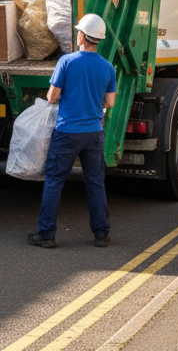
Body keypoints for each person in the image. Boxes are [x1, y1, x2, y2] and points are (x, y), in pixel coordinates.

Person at [28, 14, 117, 249]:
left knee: (55, 181)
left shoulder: (66, 62)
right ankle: (101, 234)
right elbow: (110, 102)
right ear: (98, 40)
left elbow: (52, 97)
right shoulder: (108, 68)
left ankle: (46, 234)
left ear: (81, 36)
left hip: (67, 131)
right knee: (95, 183)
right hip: (94, 133)